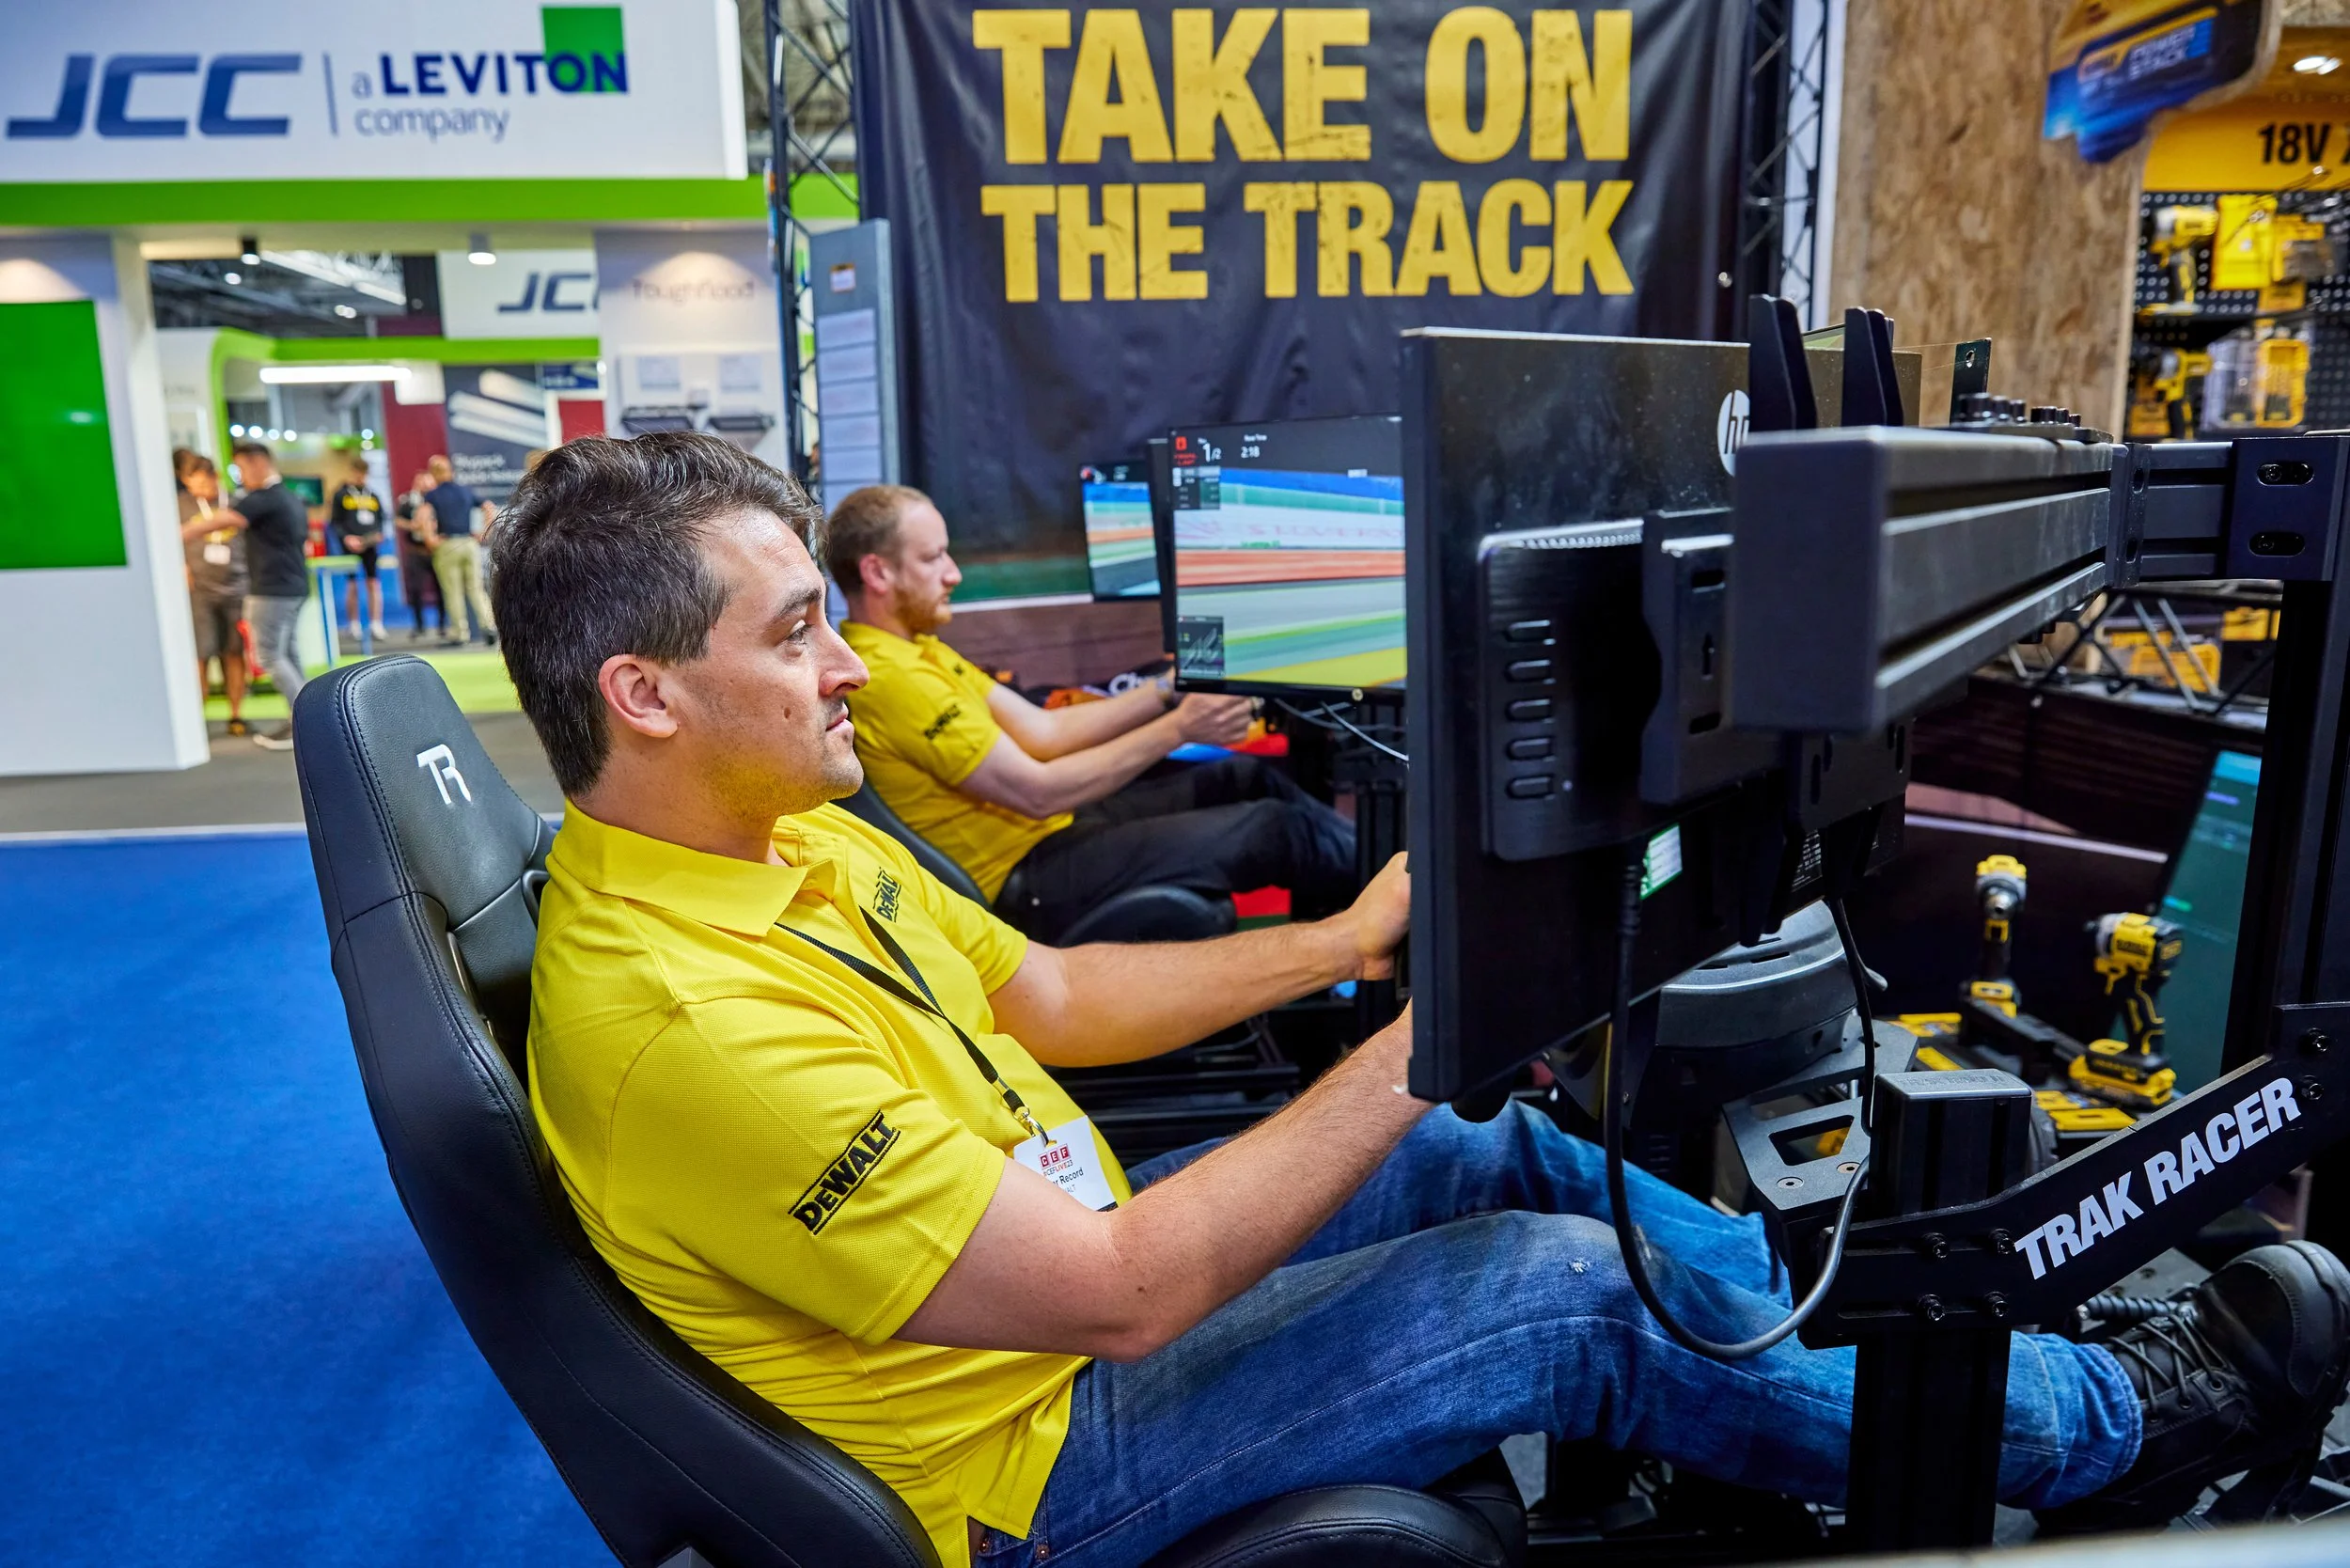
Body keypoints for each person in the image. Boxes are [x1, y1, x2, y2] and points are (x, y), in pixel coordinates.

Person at [498, 432, 2350, 1568]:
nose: (847, 664)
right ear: (644, 695)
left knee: (1484, 1146)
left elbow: (1047, 989)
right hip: (1026, 1470)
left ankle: (1925, 1355)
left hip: (1041, 1309)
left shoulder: (787, 842)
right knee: (1563, 1287)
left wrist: (1352, 945)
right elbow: (1119, 1294)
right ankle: (2103, 1430)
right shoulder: (678, 1017)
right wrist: (1435, 1022)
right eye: (795, 632)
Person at [824, 484, 1356, 940]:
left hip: (1052, 832)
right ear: (878, 573)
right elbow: (1038, 792)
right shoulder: (892, 677)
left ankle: (1361, 927)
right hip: (1025, 876)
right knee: (1276, 831)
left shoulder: (918, 649)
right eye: (933, 558)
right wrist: (1180, 727)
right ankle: (1399, 909)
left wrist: (1169, 687)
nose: (954, 573)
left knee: (1240, 778)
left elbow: (1046, 731)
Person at [228, 439, 311, 751]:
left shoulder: (266, 499)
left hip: (272, 589)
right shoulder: (289, 497)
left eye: (241, 468)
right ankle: (308, 717)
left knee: (269, 655)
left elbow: (227, 519)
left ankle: (304, 722)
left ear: (258, 463)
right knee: (287, 653)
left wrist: (178, 533)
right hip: (290, 586)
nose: (240, 475)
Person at [175, 450, 248, 738]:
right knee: (200, 654)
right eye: (192, 483)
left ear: (215, 477)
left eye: (203, 483)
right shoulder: (180, 505)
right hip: (199, 591)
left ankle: (236, 714)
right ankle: (197, 719)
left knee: (234, 652)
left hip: (236, 587)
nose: (198, 490)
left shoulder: (236, 503)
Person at [422, 454, 496, 647]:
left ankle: (460, 633)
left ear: (433, 473)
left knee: (453, 591)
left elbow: (424, 517)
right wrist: (484, 531)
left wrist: (430, 538)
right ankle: (488, 626)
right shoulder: (465, 491)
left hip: (447, 544)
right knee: (476, 588)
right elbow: (489, 506)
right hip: (469, 543)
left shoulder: (432, 495)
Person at [328, 453, 387, 644]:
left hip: (370, 545)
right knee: (352, 584)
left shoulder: (373, 495)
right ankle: (354, 624)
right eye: (358, 473)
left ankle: (376, 623)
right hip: (350, 546)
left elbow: (381, 520)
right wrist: (347, 538)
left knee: (373, 583)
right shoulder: (341, 495)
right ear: (352, 472)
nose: (361, 477)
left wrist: (378, 534)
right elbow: (335, 522)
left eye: (364, 473)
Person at [394, 471, 446, 641]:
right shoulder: (408, 500)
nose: (425, 487)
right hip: (416, 551)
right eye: (421, 483)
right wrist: (413, 525)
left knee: (442, 588)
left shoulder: (438, 499)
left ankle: (443, 625)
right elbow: (398, 519)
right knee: (416, 589)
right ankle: (419, 625)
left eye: (428, 484)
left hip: (436, 549)